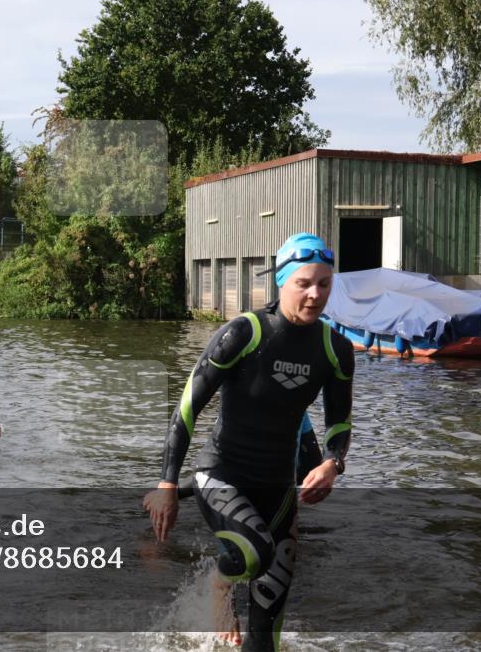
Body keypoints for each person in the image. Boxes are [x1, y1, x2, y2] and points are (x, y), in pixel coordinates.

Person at [143, 232, 354, 650]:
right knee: (252, 553)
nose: (315, 295)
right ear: (282, 281)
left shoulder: (335, 349)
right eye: (304, 283)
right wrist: (168, 484)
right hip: (222, 474)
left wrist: (332, 463)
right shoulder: (245, 333)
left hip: (276, 493)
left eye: (324, 284)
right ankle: (220, 587)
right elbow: (187, 408)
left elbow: (338, 427)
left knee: (264, 638)